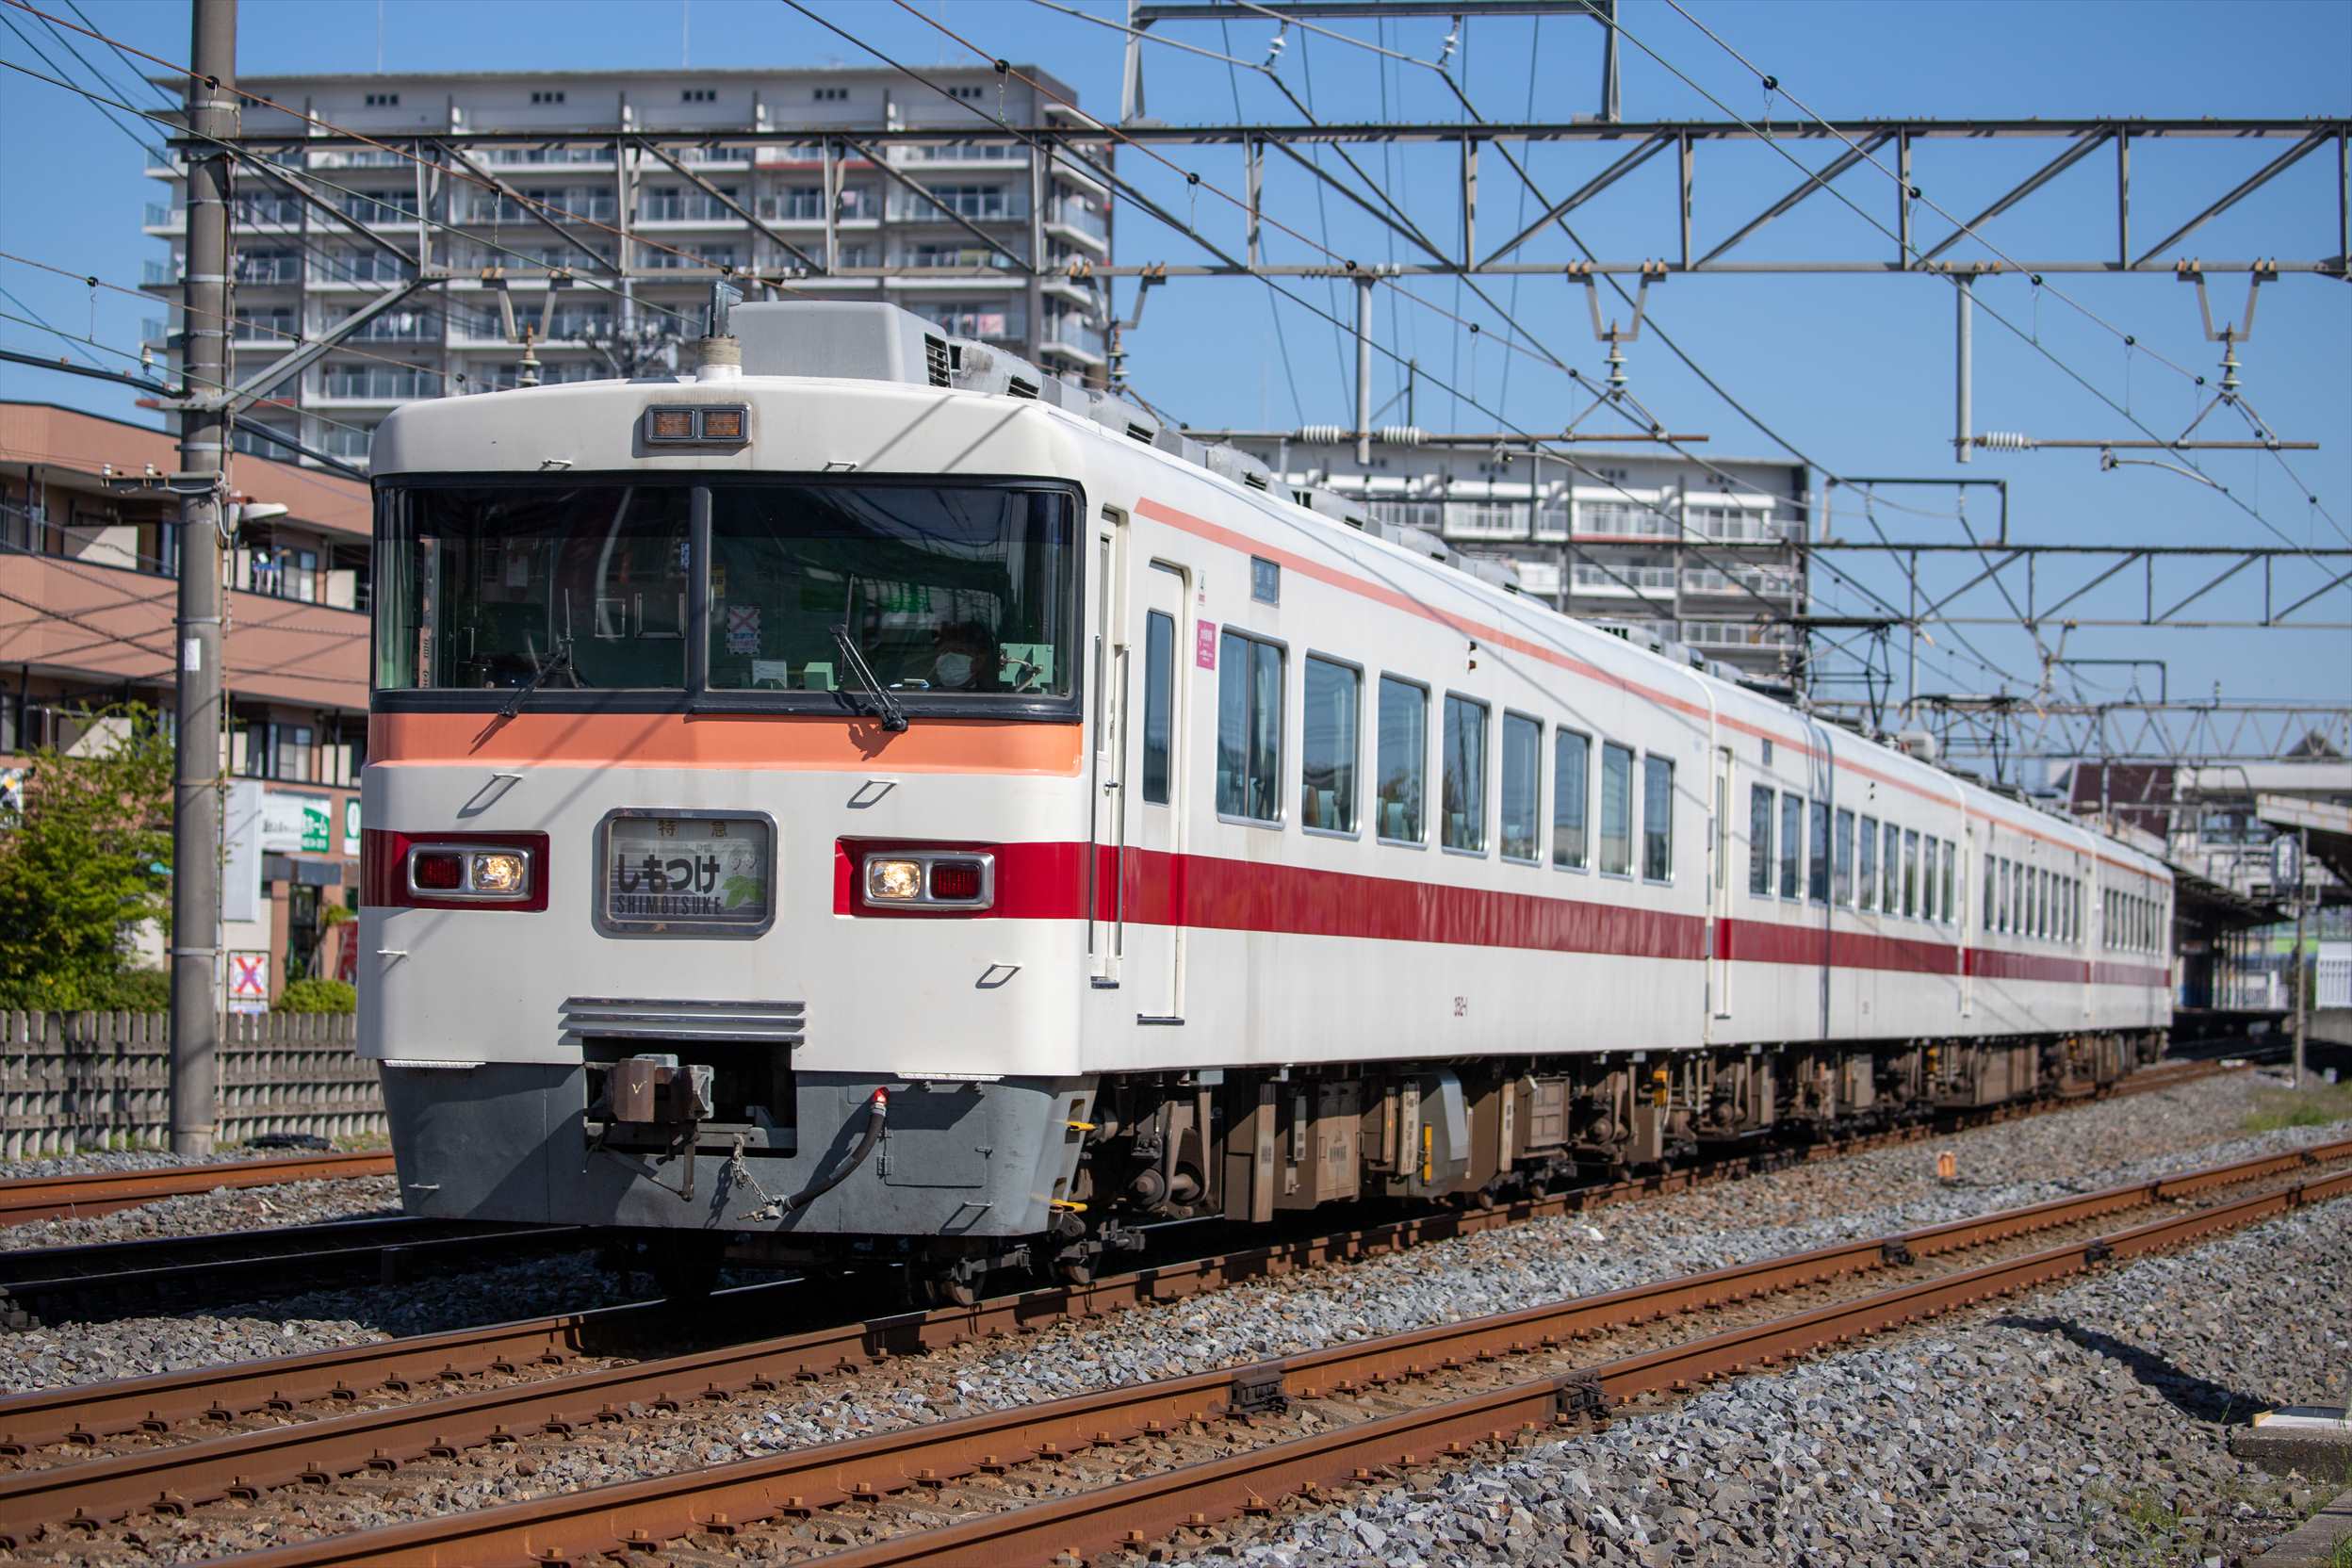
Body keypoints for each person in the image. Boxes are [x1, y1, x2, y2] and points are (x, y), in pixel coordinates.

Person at [925, 620, 1000, 692]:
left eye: (959, 650)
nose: (949, 657)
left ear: (980, 660)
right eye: (945, 651)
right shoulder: (925, 692)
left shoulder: (995, 695)